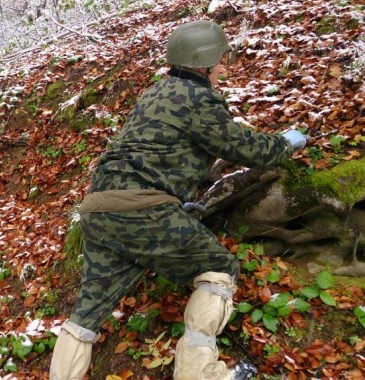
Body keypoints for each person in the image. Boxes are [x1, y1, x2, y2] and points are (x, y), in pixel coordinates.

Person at [48, 20, 307, 380]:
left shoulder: (154, 94)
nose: (222, 69)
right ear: (206, 62)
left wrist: (170, 201)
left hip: (98, 208)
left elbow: (155, 151)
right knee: (219, 271)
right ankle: (199, 374)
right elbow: (243, 146)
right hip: (141, 209)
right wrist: (284, 143)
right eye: (220, 61)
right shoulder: (198, 99)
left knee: (87, 312)